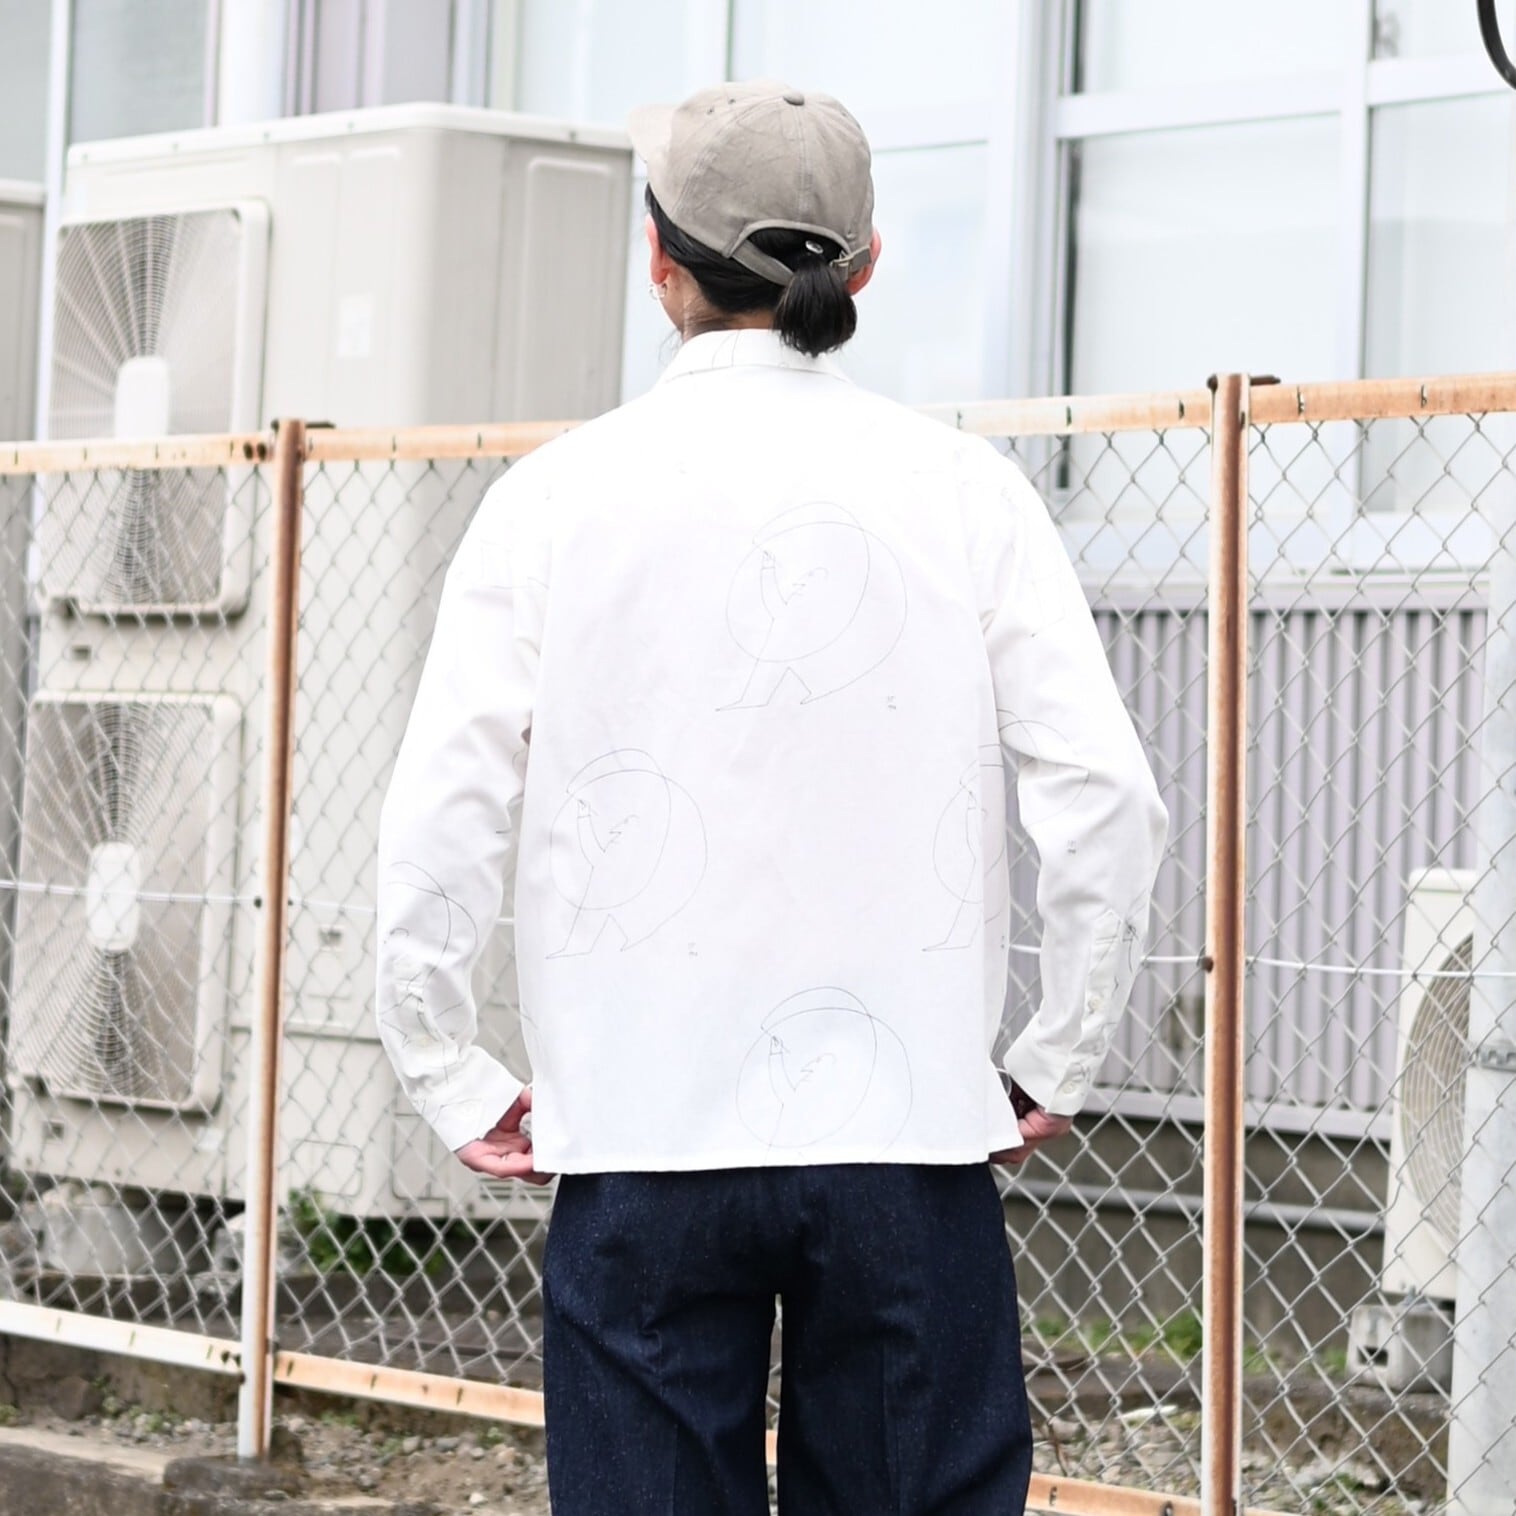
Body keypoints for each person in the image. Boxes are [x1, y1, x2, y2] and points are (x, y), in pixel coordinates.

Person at [375, 79, 1167, 1516]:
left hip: (639, 1128)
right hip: (908, 1136)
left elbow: (445, 807)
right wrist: (1060, 1051)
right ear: (863, 266)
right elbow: (1104, 795)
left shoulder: (556, 500)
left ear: (657, 258)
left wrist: (450, 1065)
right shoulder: (965, 492)